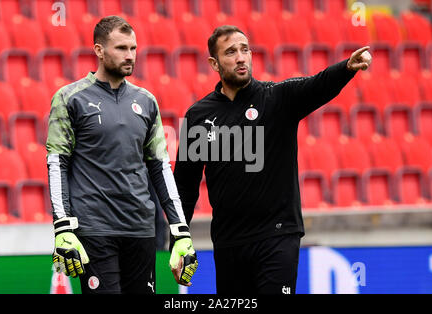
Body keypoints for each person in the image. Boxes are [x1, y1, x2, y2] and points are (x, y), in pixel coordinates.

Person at [173, 25, 372, 294]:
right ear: (214, 63)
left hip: (277, 236)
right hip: (228, 242)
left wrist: (346, 68)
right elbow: (185, 185)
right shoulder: (199, 116)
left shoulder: (276, 98)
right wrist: (179, 239)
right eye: (231, 52)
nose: (241, 57)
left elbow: (316, 85)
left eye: (245, 50)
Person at [46, 15, 198, 294]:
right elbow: (57, 163)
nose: (130, 56)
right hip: (94, 229)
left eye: (133, 48)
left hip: (141, 228)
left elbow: (160, 167)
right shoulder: (70, 98)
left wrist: (180, 229)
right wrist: (63, 227)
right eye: (121, 48)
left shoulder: (146, 101)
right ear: (99, 50)